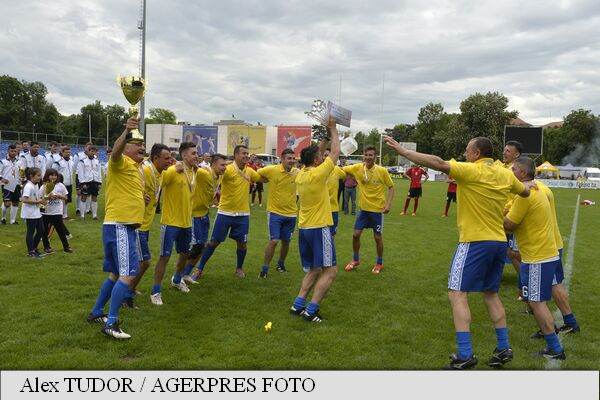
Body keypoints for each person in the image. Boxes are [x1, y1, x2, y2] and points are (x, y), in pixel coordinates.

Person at [384, 135, 536, 369]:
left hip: (474, 242)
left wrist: (403, 151)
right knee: (490, 294)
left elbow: (438, 163)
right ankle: (503, 347)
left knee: (457, 293)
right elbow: (525, 192)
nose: (465, 154)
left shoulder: (471, 170)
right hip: (498, 242)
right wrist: (526, 185)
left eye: (467, 151)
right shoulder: (504, 173)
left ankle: (465, 354)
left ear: (476, 154)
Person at [87, 117, 146, 340]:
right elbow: (117, 151)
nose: (141, 146)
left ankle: (96, 313)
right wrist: (126, 130)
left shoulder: (133, 167)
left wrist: (142, 196)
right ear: (126, 147)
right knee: (128, 274)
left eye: (142, 143)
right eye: (136, 143)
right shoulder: (119, 161)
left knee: (114, 274)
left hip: (120, 226)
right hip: (120, 225)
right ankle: (111, 324)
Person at [504, 157, 565, 360]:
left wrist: (489, 212)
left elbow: (510, 224)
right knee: (534, 299)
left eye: (513, 169)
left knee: (537, 302)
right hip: (540, 253)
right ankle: (552, 339)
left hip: (538, 255)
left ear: (522, 173)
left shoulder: (525, 194)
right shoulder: (534, 187)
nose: (510, 171)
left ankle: (555, 349)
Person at [289, 118, 340, 323]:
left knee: (314, 269)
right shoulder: (319, 174)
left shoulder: (301, 174)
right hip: (319, 228)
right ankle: (311, 310)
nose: (323, 156)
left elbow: (314, 153)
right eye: (321, 156)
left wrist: (324, 139)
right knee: (330, 271)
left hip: (305, 229)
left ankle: (298, 304)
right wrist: (334, 130)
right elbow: (335, 152)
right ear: (317, 161)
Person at [192, 144, 265, 281]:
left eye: (247, 153)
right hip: (225, 213)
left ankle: (239, 268)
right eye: (243, 153)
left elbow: (262, 178)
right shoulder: (227, 169)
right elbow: (210, 172)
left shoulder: (249, 171)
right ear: (236, 155)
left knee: (242, 244)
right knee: (213, 242)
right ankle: (199, 269)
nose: (246, 156)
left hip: (243, 215)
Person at [121, 143, 171, 309]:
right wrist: (138, 193)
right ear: (155, 158)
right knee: (144, 262)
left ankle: (130, 288)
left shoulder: (160, 172)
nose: (169, 161)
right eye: (166, 158)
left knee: (138, 261)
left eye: (170, 158)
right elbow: (133, 175)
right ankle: (125, 295)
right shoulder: (147, 169)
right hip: (137, 224)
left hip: (145, 223)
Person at [529, 178, 580, 339]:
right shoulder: (542, 187)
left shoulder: (536, 190)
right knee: (554, 284)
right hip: (551, 243)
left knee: (549, 287)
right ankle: (564, 323)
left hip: (546, 246)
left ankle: (557, 326)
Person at [150, 142, 198, 305]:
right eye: (193, 153)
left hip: (186, 222)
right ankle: (155, 291)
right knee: (165, 256)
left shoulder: (193, 172)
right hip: (170, 222)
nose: (196, 156)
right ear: (183, 155)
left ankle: (177, 280)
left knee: (185, 253)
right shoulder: (173, 170)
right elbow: (157, 184)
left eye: (196, 153)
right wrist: (172, 169)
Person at [342, 145, 394, 274]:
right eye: (366, 155)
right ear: (363, 156)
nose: (368, 157)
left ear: (375, 157)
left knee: (377, 237)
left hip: (377, 210)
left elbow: (391, 187)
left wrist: (388, 205)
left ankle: (379, 263)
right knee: (355, 235)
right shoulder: (358, 168)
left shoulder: (382, 171)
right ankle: (355, 260)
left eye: (371, 155)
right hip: (363, 210)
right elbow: (342, 170)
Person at [182, 153, 227, 283]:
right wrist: (183, 163)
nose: (225, 167)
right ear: (213, 165)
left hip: (204, 214)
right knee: (195, 248)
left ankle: (185, 274)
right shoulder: (205, 173)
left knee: (202, 248)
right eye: (222, 165)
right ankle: (178, 276)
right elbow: (194, 168)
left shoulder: (218, 176)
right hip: (195, 215)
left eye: (225, 165)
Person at [256, 148, 299, 278]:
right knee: (274, 241)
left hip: (291, 214)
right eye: (289, 158)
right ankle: (264, 269)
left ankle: (281, 264)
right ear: (282, 159)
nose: (292, 161)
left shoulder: (297, 172)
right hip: (275, 212)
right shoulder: (272, 170)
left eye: (293, 158)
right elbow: (257, 174)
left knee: (286, 241)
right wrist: (266, 180)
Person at [502, 141, 524, 288]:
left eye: (508, 151)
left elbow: (519, 194)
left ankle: (526, 282)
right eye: (504, 150)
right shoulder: (504, 168)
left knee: (514, 253)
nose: (504, 153)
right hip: (503, 215)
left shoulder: (515, 171)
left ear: (517, 155)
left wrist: (507, 209)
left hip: (511, 216)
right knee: (509, 251)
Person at [39, 168, 72, 253]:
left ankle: (66, 247)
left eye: (55, 175)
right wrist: (48, 197)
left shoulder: (60, 185)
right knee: (44, 230)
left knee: (60, 230)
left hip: (57, 211)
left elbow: (66, 198)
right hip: (46, 212)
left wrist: (59, 196)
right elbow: (40, 199)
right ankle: (47, 247)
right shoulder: (44, 186)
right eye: (51, 175)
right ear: (47, 176)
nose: (53, 177)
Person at [20, 167, 47, 258]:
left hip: (36, 212)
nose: (40, 177)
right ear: (31, 176)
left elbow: (35, 197)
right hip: (29, 213)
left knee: (41, 230)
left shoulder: (35, 184)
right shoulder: (28, 186)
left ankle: (34, 248)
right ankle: (31, 252)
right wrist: (39, 202)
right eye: (38, 175)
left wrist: (42, 200)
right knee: (30, 231)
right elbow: (24, 199)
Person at [77, 145, 102, 220]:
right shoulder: (82, 161)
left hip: (95, 182)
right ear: (87, 152)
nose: (93, 152)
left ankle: (94, 215)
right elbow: (80, 173)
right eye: (91, 151)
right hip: (86, 182)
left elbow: (99, 172)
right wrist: (82, 183)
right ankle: (82, 215)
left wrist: (99, 182)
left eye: (94, 151)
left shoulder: (97, 161)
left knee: (94, 198)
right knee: (83, 198)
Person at [52, 145, 75, 220]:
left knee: (66, 200)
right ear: (62, 153)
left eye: (69, 152)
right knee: (61, 200)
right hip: (61, 184)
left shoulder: (71, 162)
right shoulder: (58, 163)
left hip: (69, 184)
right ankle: (60, 214)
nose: (68, 153)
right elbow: (53, 172)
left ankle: (65, 214)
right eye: (66, 152)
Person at [1, 144, 21, 225]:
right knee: (7, 204)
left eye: (15, 151)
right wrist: (2, 179)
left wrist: (22, 179)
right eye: (11, 151)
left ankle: (13, 220)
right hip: (7, 184)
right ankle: (3, 218)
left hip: (17, 184)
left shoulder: (19, 161)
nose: (13, 153)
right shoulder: (3, 161)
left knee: (16, 202)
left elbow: (21, 172)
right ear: (8, 151)